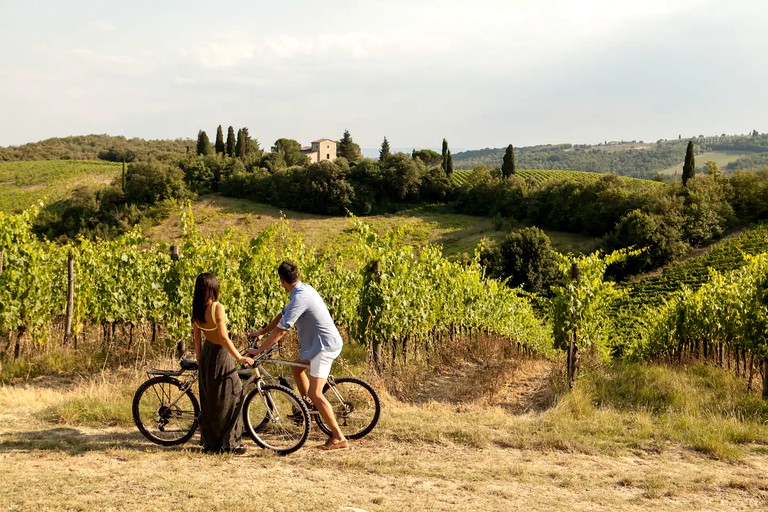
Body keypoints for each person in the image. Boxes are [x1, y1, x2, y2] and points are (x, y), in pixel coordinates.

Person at [248, 261, 348, 450]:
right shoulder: (302, 291)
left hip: (324, 347)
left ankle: (339, 438)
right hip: (317, 345)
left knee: (315, 392)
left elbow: (281, 331)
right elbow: (282, 316)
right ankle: (309, 411)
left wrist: (258, 351)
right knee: (296, 368)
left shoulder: (300, 298)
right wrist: (261, 332)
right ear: (298, 275)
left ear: (281, 281)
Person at [192, 272, 254, 454]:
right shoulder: (217, 307)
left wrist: (200, 360)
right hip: (221, 354)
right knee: (233, 395)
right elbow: (223, 337)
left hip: (206, 355)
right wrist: (239, 358)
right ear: (212, 288)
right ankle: (231, 443)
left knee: (211, 400)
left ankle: (212, 444)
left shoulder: (196, 309)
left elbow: (197, 341)